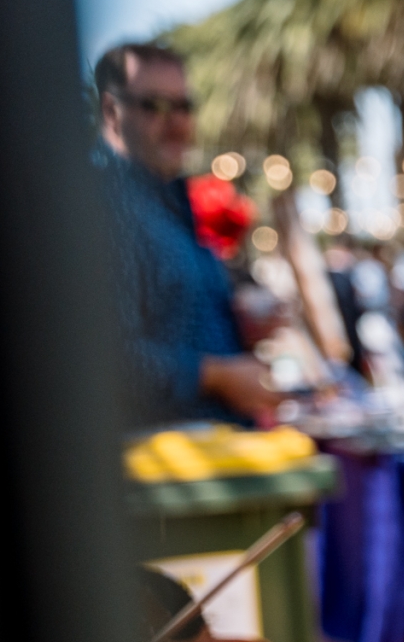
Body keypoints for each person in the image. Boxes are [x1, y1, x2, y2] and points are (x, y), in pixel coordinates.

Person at [96, 42, 281, 426]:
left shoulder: (169, 204)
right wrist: (218, 376)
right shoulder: (105, 207)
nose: (177, 121)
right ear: (112, 111)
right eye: (156, 106)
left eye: (184, 107)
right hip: (159, 471)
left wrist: (238, 326)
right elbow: (101, 359)